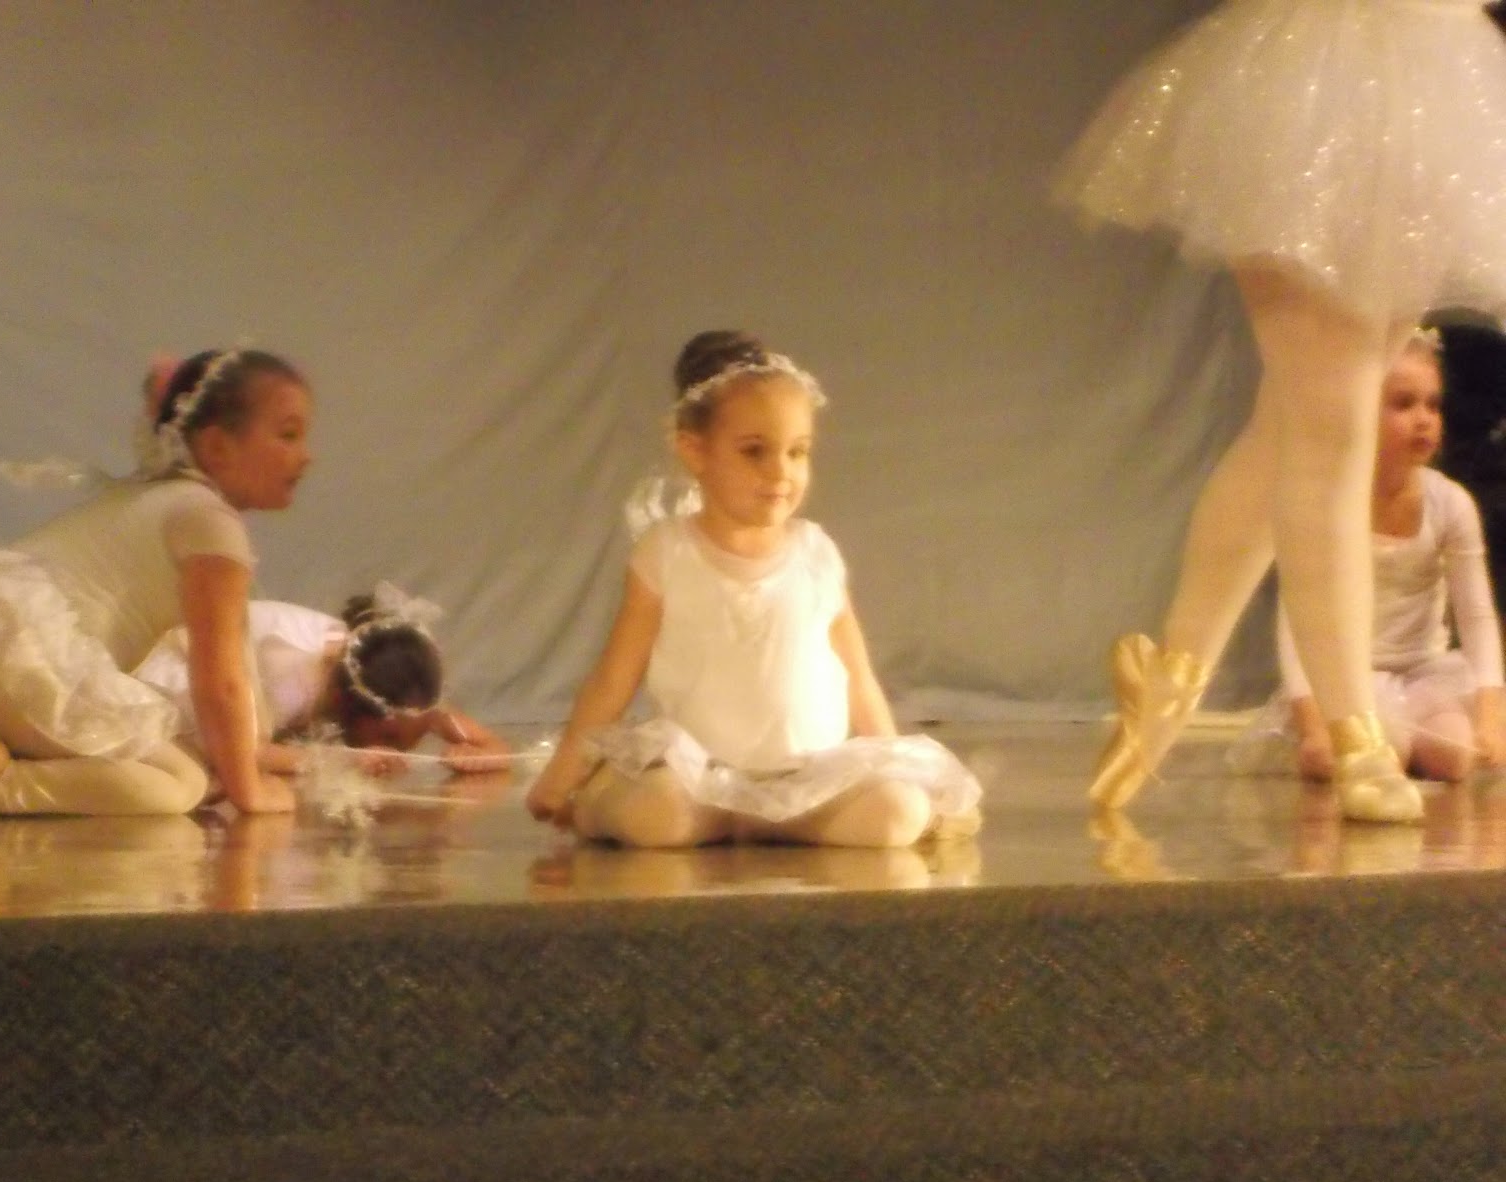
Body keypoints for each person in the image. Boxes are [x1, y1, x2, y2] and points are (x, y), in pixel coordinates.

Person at [1055, 0, 1506, 821]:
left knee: (1291, 422)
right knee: (1332, 424)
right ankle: (1355, 733)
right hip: (1318, 79)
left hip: (1434, 79)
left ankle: (1173, 675)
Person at [525, 331, 980, 848]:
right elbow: (614, 679)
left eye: (797, 452)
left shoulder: (816, 553)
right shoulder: (667, 553)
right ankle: (606, 803)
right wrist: (561, 775)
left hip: (806, 779)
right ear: (695, 451)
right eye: (754, 452)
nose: (780, 472)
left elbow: (857, 676)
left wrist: (891, 761)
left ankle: (764, 821)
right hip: (700, 780)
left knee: (897, 814)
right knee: (658, 816)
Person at [0, 348, 312, 814]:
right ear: (218, 446)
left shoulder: (157, 498)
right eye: (288, 434)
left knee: (178, 756)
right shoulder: (210, 523)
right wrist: (251, 794)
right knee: (179, 783)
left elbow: (230, 726)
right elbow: (220, 685)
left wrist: (318, 761)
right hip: (11, 662)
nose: (307, 456)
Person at [1281, 331, 1505, 782]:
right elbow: (1296, 623)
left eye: (1433, 406)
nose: (1424, 420)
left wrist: (1491, 716)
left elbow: (1477, 618)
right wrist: (1312, 724)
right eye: (1403, 404)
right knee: (1383, 753)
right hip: (1348, 678)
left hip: (1426, 675)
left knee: (1456, 756)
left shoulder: (1450, 504)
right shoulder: (1329, 502)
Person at [132, 592, 511, 772]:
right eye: (390, 738)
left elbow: (490, 744)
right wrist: (343, 761)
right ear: (355, 706)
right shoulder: (292, 676)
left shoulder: (380, 676)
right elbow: (244, 752)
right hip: (180, 694)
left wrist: (480, 753)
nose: (400, 750)